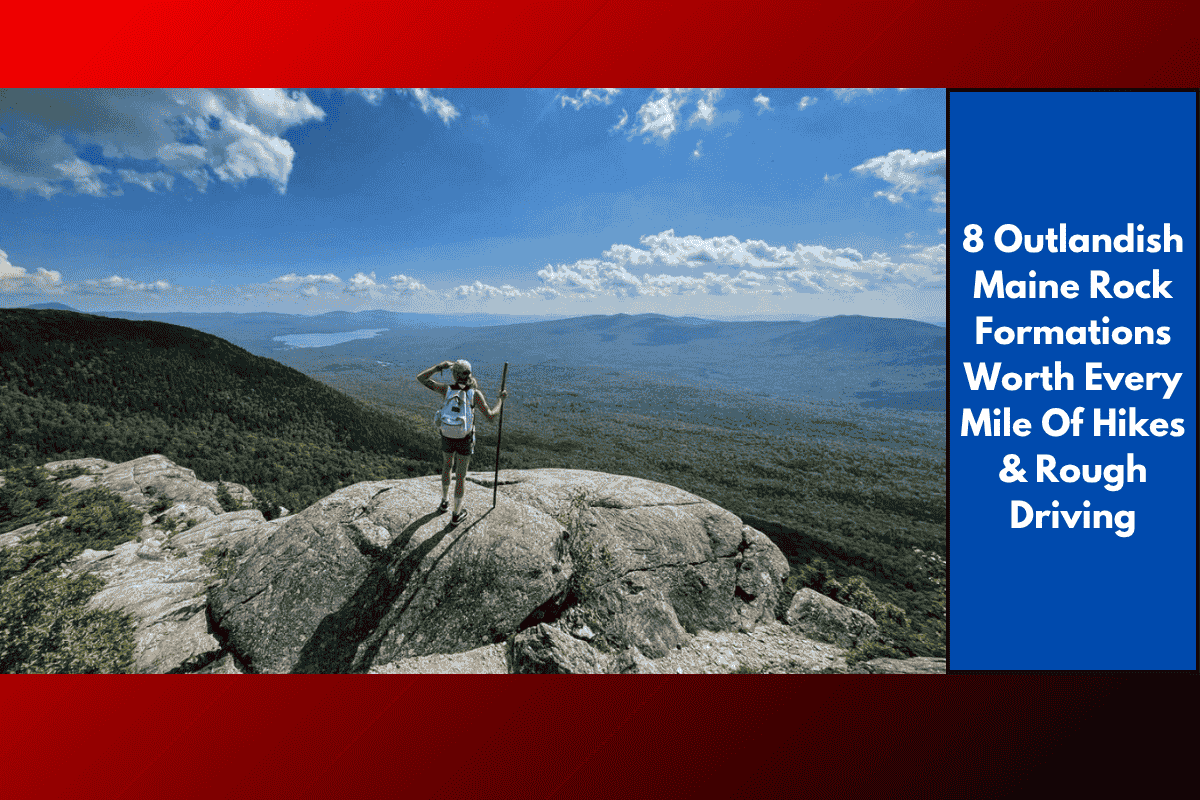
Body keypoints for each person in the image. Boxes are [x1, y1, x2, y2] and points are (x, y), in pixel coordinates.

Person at [416, 359, 507, 525]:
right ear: (469, 374)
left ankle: (444, 502)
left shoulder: (446, 390)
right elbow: (491, 417)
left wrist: (438, 367)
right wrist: (501, 400)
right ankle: (456, 514)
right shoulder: (475, 394)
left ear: (454, 374)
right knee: (460, 477)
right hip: (465, 438)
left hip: (447, 435)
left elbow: (421, 378)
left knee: (446, 467)